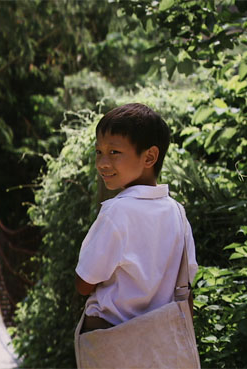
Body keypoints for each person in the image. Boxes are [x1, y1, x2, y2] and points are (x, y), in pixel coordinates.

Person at [74, 103, 198, 335]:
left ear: (149, 156)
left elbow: (84, 283)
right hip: (162, 343)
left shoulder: (117, 212)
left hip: (114, 341)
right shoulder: (177, 213)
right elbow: (186, 281)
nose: (102, 163)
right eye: (98, 151)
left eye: (114, 152)